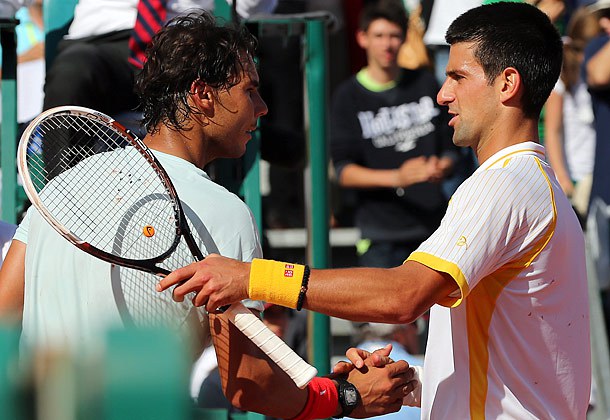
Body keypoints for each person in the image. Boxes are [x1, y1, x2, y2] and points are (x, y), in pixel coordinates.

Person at [158, 3, 592, 418]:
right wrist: (410, 383)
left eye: (458, 77)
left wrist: (251, 276)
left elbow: (402, 296)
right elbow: (517, 372)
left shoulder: (506, 182)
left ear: (507, 83)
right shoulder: (531, 182)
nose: (443, 95)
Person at [0, 11, 414, 419]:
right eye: (250, 90)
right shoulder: (227, 213)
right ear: (202, 95)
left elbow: (5, 314)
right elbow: (248, 383)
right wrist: (343, 397)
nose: (263, 107)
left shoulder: (60, 189)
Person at [330, 0, 457, 269]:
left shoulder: (425, 83)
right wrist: (398, 177)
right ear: (362, 38)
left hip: (434, 227)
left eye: (394, 36)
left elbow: (451, 150)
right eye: (379, 36)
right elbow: (343, 171)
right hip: (381, 234)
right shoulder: (347, 96)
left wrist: (440, 166)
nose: (387, 44)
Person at [544, 6, 599, 223]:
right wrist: (563, 179)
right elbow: (552, 131)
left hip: (596, 173)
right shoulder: (564, 76)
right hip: (575, 177)